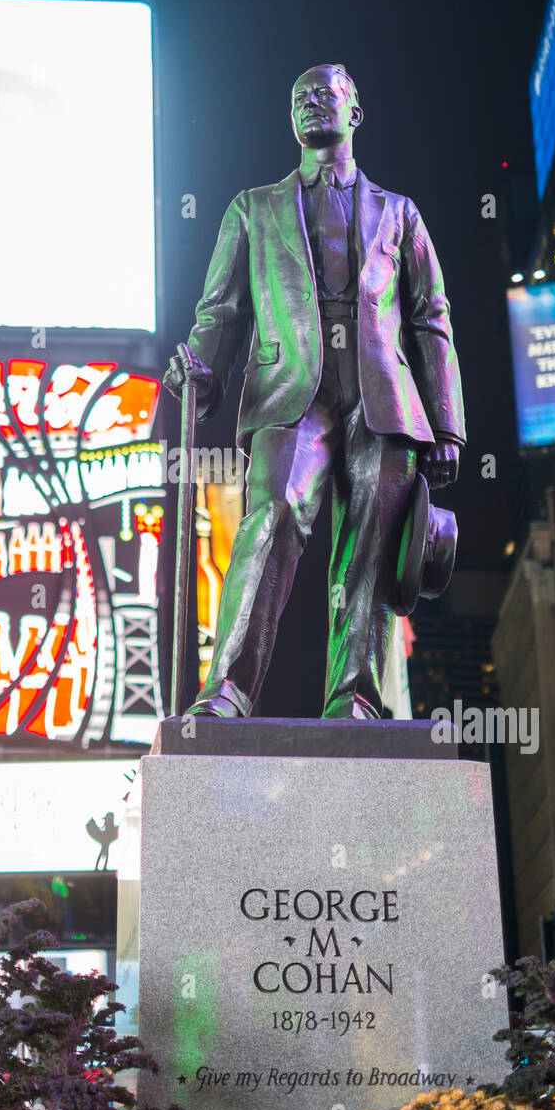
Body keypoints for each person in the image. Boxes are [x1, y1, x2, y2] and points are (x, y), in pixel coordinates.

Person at [164, 64, 464, 720]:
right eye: (300, 96)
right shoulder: (254, 208)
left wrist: (447, 426)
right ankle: (227, 689)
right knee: (269, 518)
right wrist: (203, 372)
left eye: (326, 93)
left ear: (355, 110)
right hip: (288, 387)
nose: (311, 103)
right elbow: (220, 312)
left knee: (370, 549)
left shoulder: (399, 212)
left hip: (381, 396)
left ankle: (356, 695)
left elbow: (429, 317)